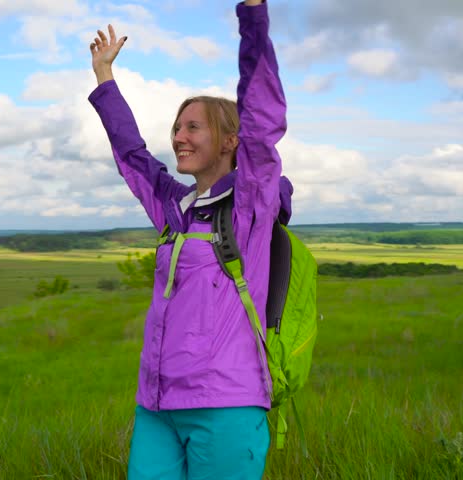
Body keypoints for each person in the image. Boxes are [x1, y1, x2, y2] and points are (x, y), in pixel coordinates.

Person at [88, 1, 290, 478]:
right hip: (157, 404)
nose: (179, 136)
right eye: (177, 127)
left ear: (231, 141)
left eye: (193, 127)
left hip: (225, 403)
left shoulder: (249, 206)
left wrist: (253, 15)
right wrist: (104, 77)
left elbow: (261, 113)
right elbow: (132, 154)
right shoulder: (174, 208)